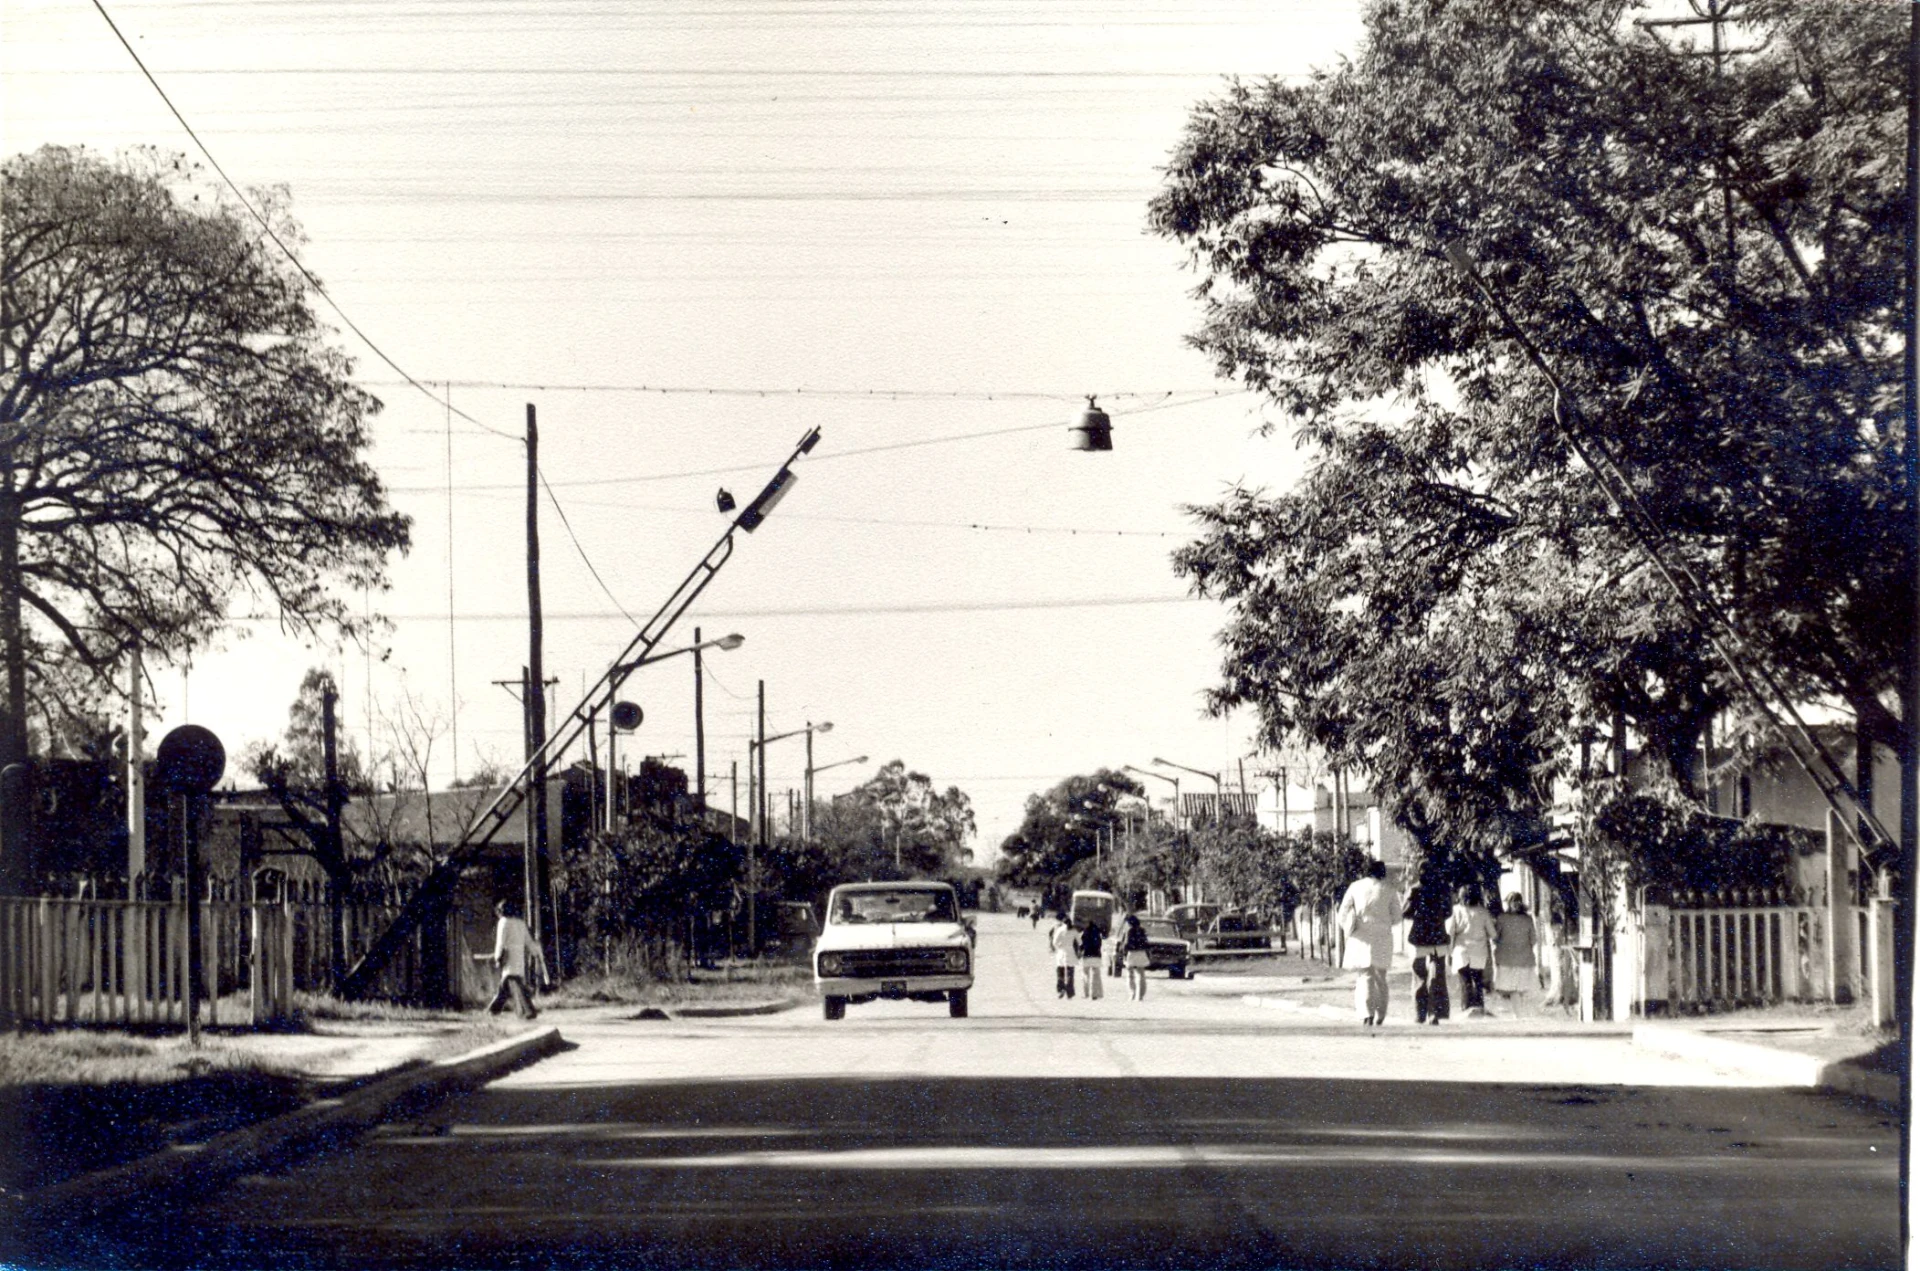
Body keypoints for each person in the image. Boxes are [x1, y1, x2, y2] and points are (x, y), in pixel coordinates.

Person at [1336, 859, 1400, 1027]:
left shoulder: (1355, 887)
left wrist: (1350, 926)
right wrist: (1383, 923)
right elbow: (1397, 917)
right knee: (1381, 977)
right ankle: (1380, 1014)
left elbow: (1342, 913)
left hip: (1360, 936)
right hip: (1382, 936)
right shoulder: (1389, 890)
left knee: (1365, 975)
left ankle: (1366, 1014)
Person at [476, 898, 549, 1020]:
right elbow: (529, 942)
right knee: (506, 985)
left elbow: (500, 942)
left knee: (512, 982)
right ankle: (492, 1011)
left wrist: (498, 957)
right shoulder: (521, 924)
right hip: (519, 958)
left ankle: (527, 1011)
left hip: (508, 958)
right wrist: (536, 951)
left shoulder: (503, 922)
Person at [1402, 869, 1452, 1026]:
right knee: (1437, 976)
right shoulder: (1443, 889)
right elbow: (1448, 911)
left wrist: (1420, 915)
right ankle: (1434, 1013)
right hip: (1438, 936)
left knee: (1419, 976)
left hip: (1420, 937)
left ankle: (1420, 1013)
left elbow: (1406, 912)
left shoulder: (1415, 889)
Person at [1447, 883, 1497, 1017]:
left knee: (1465, 982)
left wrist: (1449, 952)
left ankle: (1466, 1008)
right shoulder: (1483, 912)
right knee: (1478, 980)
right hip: (1479, 952)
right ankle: (1479, 1007)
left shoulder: (1456, 910)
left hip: (1461, 950)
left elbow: (1450, 932)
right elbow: (1493, 933)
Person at [1493, 893, 1538, 1010]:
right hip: (1520, 958)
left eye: (1517, 901)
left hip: (1509, 958)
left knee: (1514, 987)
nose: (1516, 904)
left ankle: (1517, 1012)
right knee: (1518, 988)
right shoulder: (1527, 919)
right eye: (1514, 901)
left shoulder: (1502, 918)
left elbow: (1495, 938)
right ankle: (1518, 1012)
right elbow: (1533, 940)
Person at [1119, 913, 1152, 1001]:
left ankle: (1132, 992)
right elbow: (1146, 942)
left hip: (1132, 953)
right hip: (1142, 953)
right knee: (1141, 974)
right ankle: (1140, 994)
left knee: (1130, 974)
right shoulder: (1142, 930)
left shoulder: (1129, 931)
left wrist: (1123, 953)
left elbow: (1126, 944)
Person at [1048, 910, 1077, 999]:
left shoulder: (1057, 927)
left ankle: (1061, 989)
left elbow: (1053, 939)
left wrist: (1055, 947)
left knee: (1060, 972)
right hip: (1071, 953)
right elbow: (1078, 942)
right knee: (1070, 973)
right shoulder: (1073, 929)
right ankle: (1070, 992)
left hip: (1060, 952)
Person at [1076, 918, 1105, 1001]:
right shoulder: (1098, 933)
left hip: (1087, 956)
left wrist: (1079, 954)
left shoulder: (1085, 933)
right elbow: (1099, 944)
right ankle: (1095, 994)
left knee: (1086, 975)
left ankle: (1086, 993)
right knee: (1096, 976)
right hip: (1096, 956)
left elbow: (1081, 945)